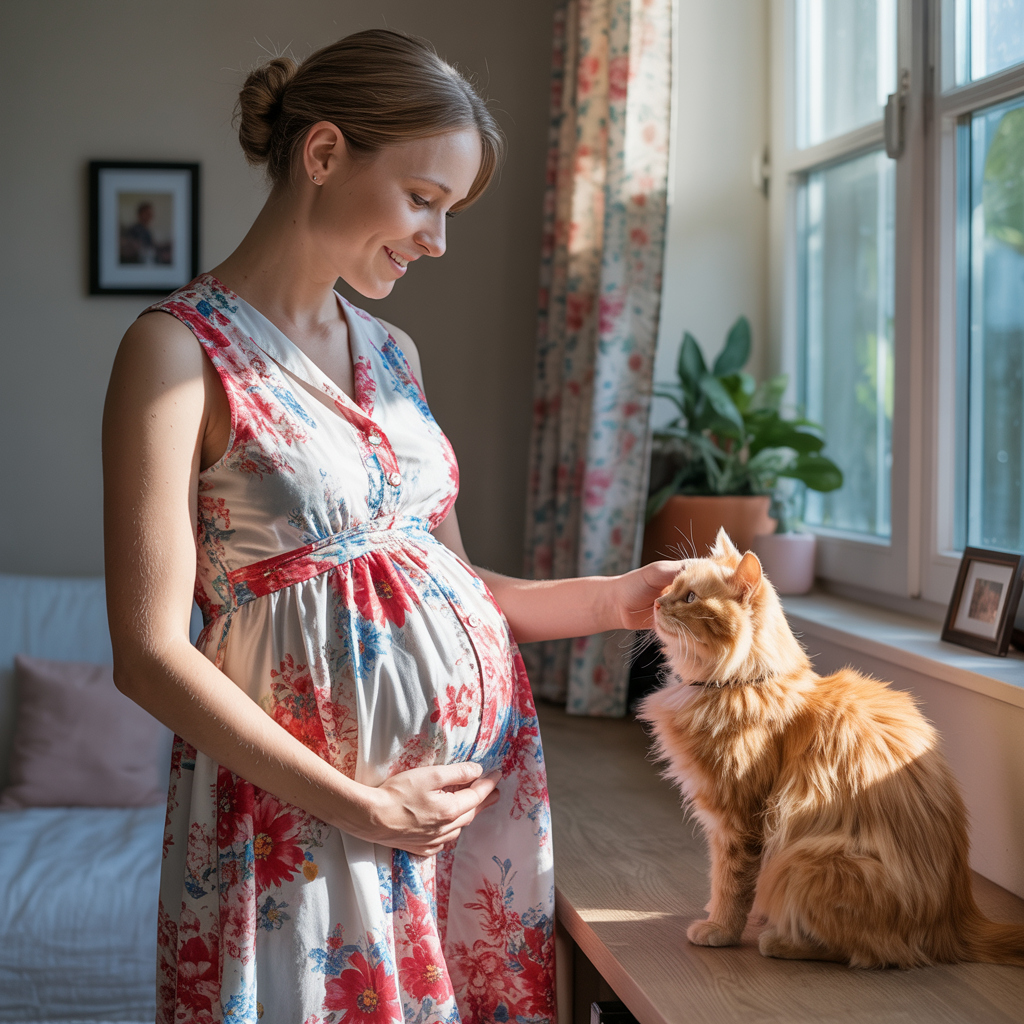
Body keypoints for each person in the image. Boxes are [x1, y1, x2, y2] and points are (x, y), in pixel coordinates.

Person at [102, 29, 679, 1023]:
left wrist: (618, 599)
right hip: (305, 826)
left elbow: (452, 583)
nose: (436, 240)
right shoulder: (173, 354)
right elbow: (149, 654)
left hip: (458, 828)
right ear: (323, 155)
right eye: (424, 200)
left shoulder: (396, 353)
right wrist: (369, 806)